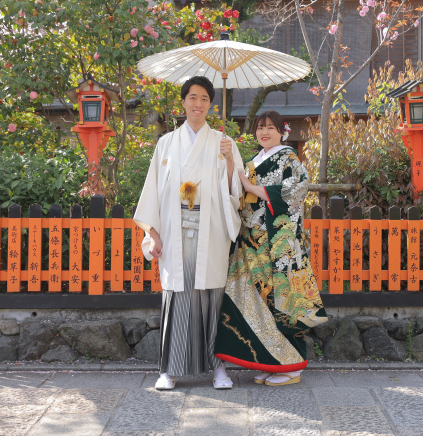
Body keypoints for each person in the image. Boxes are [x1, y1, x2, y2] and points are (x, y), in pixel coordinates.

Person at [133, 76, 243, 390]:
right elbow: (153, 191)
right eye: (193, 97)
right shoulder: (166, 143)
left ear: (211, 105)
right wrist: (153, 233)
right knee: (177, 295)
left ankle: (218, 368)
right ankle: (169, 369)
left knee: (212, 296)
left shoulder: (223, 142)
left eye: (205, 98)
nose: (198, 104)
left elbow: (236, 190)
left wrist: (230, 159)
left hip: (211, 228)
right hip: (174, 228)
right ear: (183, 102)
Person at [214, 110, 327, 386]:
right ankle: (271, 362)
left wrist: (250, 186)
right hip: (251, 242)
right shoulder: (254, 161)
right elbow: (236, 192)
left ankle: (291, 367)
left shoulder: (289, 159)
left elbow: (294, 192)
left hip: (278, 244)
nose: (264, 132)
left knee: (281, 302)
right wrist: (230, 163)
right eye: (260, 128)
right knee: (257, 304)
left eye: (270, 128)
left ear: (282, 132)